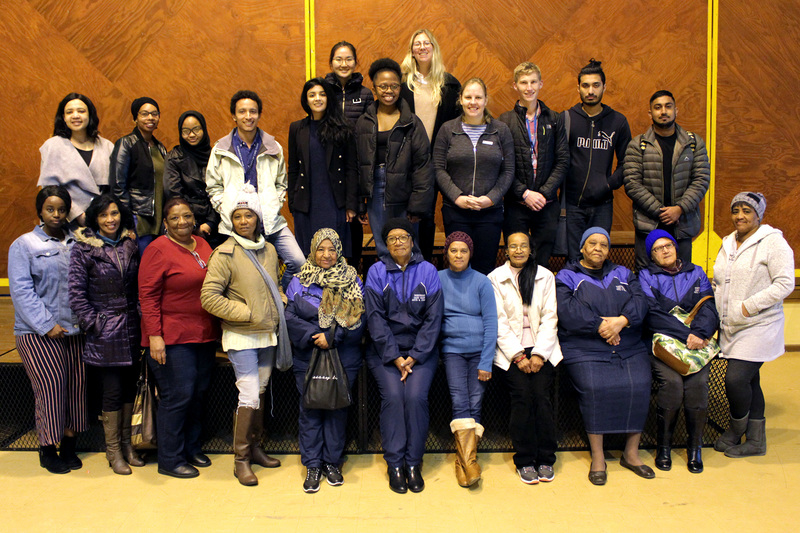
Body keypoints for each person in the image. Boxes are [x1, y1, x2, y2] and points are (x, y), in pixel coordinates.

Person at [201, 185, 287, 486]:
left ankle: (256, 447)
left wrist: (278, 298)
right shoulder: (224, 253)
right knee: (248, 393)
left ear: (257, 217)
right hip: (241, 336)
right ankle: (240, 459)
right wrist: (247, 313)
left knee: (260, 391)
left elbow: (270, 285)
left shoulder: (270, 250)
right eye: (237, 216)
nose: (243, 221)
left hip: (267, 334)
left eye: (248, 214)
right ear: (231, 220)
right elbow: (209, 297)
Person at [555, 227, 653, 485]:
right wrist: (600, 326)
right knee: (596, 388)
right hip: (584, 345)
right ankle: (598, 456)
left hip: (627, 343)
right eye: (592, 243)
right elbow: (566, 310)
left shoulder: (623, 273)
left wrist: (621, 321)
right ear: (582, 248)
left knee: (640, 385)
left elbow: (641, 302)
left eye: (604, 245)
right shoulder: (567, 275)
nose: (598, 248)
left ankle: (631, 454)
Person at [138, 198, 220, 479]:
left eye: (186, 216)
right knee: (178, 395)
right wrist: (155, 336)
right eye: (174, 218)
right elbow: (147, 297)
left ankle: (191, 448)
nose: (182, 222)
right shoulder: (156, 249)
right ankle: (170, 459)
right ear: (165, 223)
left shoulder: (203, 244)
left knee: (198, 393)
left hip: (204, 334)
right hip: (172, 337)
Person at [9, 186, 87, 474]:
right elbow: (21, 291)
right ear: (40, 211)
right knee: (51, 389)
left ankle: (68, 446)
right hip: (38, 333)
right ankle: (47, 448)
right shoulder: (24, 245)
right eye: (49, 209)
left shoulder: (76, 242)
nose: (56, 214)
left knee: (75, 390)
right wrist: (46, 325)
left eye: (61, 209)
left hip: (74, 331)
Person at [364, 218, 443, 494]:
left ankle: (413, 463)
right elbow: (375, 319)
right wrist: (395, 357)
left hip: (421, 353)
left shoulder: (429, 271)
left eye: (403, 237)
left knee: (416, 398)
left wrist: (416, 356)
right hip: (385, 353)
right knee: (395, 397)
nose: (398, 242)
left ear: (412, 241)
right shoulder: (375, 272)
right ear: (386, 245)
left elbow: (434, 320)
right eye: (392, 238)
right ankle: (395, 463)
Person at [713, 193, 794, 458]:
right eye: (736, 210)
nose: (740, 216)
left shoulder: (773, 242)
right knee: (751, 380)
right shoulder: (727, 243)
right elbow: (720, 281)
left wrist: (748, 306)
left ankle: (736, 431)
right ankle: (756, 440)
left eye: (747, 211)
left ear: (758, 215)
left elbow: (784, 284)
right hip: (732, 324)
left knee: (735, 380)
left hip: (759, 323)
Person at [68, 193, 144, 475]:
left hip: (131, 327)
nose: (110, 219)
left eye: (114, 213)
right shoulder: (83, 248)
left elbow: (137, 285)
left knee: (127, 391)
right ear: (95, 219)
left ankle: (127, 446)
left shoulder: (129, 243)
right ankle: (113, 452)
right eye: (103, 215)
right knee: (111, 393)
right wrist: (94, 323)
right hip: (104, 331)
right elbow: (76, 294)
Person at [285, 228, 365, 493]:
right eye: (321, 249)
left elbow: (358, 318)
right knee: (310, 409)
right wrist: (313, 335)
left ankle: (332, 461)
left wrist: (332, 336)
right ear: (313, 250)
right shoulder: (299, 280)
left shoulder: (352, 279)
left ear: (339, 251)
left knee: (336, 409)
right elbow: (289, 317)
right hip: (307, 356)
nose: (326, 255)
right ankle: (312, 464)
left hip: (343, 356)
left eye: (332, 249)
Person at [205, 90, 306, 287]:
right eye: (242, 112)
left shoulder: (272, 147)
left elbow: (281, 183)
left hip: (270, 221)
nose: (248, 116)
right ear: (234, 116)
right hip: (236, 225)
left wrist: (274, 205)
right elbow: (213, 185)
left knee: (298, 262)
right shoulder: (220, 149)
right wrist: (225, 208)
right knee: (246, 277)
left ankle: (279, 295)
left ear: (259, 114)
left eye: (253, 111)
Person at [638, 229, 719, 473]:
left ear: (676, 247)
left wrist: (702, 333)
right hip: (663, 344)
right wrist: (688, 336)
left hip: (697, 343)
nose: (664, 251)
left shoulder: (696, 272)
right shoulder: (645, 276)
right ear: (651, 256)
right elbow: (651, 314)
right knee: (672, 383)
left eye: (668, 246)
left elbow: (708, 306)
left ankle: (695, 448)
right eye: (657, 249)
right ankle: (664, 446)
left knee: (698, 384)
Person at [488, 231, 561, 485]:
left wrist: (539, 354)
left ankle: (546, 458)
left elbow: (551, 318)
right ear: (506, 251)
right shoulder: (495, 278)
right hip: (511, 351)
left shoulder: (545, 276)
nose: (518, 250)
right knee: (522, 397)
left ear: (531, 249)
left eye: (523, 246)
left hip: (543, 348)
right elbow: (497, 321)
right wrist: (518, 355)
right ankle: (525, 459)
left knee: (541, 396)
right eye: (513, 247)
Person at [433, 77, 514, 274]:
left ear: (486, 100)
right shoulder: (447, 130)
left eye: (478, 97)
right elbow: (438, 168)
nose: (473, 102)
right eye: (468, 97)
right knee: (458, 267)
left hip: (490, 213)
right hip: (456, 211)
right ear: (460, 99)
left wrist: (491, 199)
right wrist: (457, 197)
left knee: (484, 268)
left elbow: (509, 171)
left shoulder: (500, 130)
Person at [355, 59, 434, 259]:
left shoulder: (412, 122)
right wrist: (359, 203)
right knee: (383, 246)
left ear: (400, 87)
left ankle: (413, 288)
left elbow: (423, 166)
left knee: (410, 248)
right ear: (374, 88)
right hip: (375, 191)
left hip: (404, 190)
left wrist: (417, 205)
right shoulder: (364, 122)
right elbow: (357, 165)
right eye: (383, 86)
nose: (388, 91)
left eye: (394, 86)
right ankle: (390, 289)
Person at [624, 90, 711, 271]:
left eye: (668, 106)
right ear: (650, 114)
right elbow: (632, 183)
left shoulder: (693, 143)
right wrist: (661, 211)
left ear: (676, 110)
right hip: (648, 224)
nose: (663, 111)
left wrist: (679, 209)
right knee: (645, 276)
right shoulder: (638, 145)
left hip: (683, 223)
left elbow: (701, 180)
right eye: (658, 107)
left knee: (683, 273)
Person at [438, 232, 497, 487]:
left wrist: (486, 361)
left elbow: (491, 322)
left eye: (463, 251)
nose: (459, 255)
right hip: (452, 349)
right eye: (454, 250)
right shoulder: (438, 279)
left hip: (479, 352)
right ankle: (470, 462)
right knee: (460, 398)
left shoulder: (482, 281)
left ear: (470, 253)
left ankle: (463, 461)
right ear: (446, 254)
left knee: (476, 400)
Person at [498, 63, 569, 267]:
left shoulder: (555, 119)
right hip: (516, 204)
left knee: (541, 262)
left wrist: (543, 193)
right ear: (515, 85)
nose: (529, 87)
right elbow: (502, 166)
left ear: (540, 84)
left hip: (546, 205)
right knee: (516, 260)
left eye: (533, 82)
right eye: (523, 83)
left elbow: (563, 160)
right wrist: (525, 194)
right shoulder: (504, 121)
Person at [399, 29, 461, 260]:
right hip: (405, 162)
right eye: (417, 44)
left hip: (437, 162)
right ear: (411, 50)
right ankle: (403, 264)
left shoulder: (449, 85)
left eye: (427, 43)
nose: (422, 47)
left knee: (426, 215)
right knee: (405, 215)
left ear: (433, 48)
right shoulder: (401, 84)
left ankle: (424, 267)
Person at [563, 60, 631, 260]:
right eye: (585, 86)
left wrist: (608, 184)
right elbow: (557, 160)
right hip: (572, 206)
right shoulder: (567, 118)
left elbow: (627, 163)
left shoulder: (618, 121)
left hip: (603, 204)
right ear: (578, 88)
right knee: (574, 260)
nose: (590, 91)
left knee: (597, 257)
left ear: (604, 87)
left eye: (595, 85)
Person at [288, 78, 357, 258]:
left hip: (334, 202)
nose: (317, 99)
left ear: (328, 98)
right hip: (306, 203)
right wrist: (293, 202)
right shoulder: (297, 128)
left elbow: (351, 169)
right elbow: (294, 168)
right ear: (306, 99)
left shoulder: (343, 127)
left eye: (322, 94)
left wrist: (351, 205)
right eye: (312, 95)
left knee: (333, 255)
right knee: (308, 255)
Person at [325, 40, 374, 268]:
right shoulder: (321, 90)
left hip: (354, 167)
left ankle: (354, 279)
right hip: (329, 168)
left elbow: (367, 135)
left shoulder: (365, 95)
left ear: (355, 62)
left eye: (348, 59)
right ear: (331, 62)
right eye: (338, 59)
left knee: (353, 235)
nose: (343, 64)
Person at [38, 93, 113, 227]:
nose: (76, 115)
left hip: (103, 221)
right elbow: (49, 189)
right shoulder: (53, 145)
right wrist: (78, 215)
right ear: (63, 117)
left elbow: (115, 186)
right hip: (66, 220)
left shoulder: (107, 145)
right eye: (69, 112)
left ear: (90, 115)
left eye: (81, 111)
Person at [110, 97, 168, 255]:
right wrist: (128, 221)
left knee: (157, 266)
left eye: (154, 114)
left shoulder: (160, 148)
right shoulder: (126, 144)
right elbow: (117, 185)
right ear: (135, 118)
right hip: (138, 217)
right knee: (141, 267)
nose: (150, 118)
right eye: (145, 114)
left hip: (159, 218)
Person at [164, 111, 223, 249]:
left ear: (203, 129)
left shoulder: (216, 155)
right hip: (185, 227)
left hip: (217, 225)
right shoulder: (174, 158)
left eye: (196, 129)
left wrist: (211, 223)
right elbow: (174, 194)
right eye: (186, 131)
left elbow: (223, 191)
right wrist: (194, 224)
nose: (191, 135)